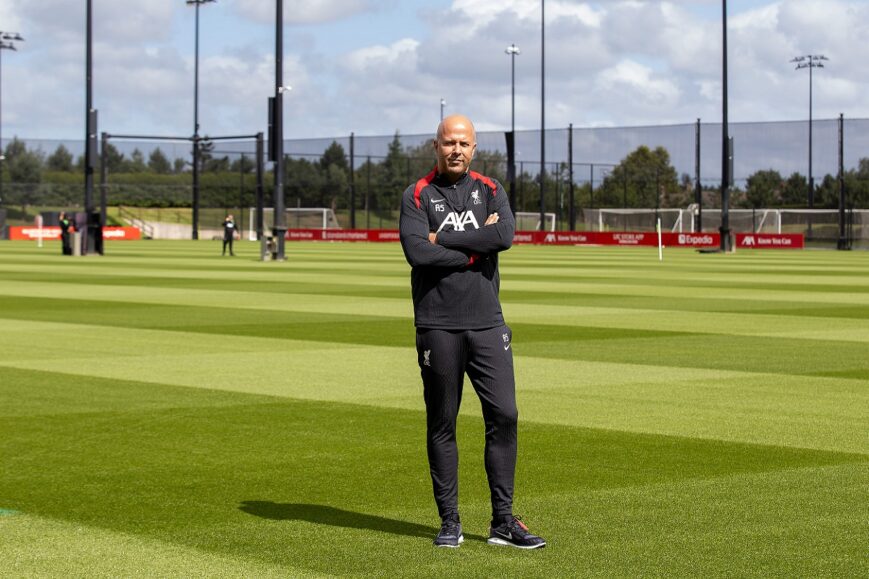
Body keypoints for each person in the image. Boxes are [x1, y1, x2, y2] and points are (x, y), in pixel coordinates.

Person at [399, 114, 546, 550]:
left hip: (488, 324)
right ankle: (450, 522)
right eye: (448, 143)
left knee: (505, 415)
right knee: (442, 423)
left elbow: (503, 235)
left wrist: (441, 241)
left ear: (474, 148)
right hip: (437, 326)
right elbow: (415, 252)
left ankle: (503, 522)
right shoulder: (417, 194)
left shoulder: (491, 189)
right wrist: (469, 250)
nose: (455, 150)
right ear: (436, 146)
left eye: (463, 143)